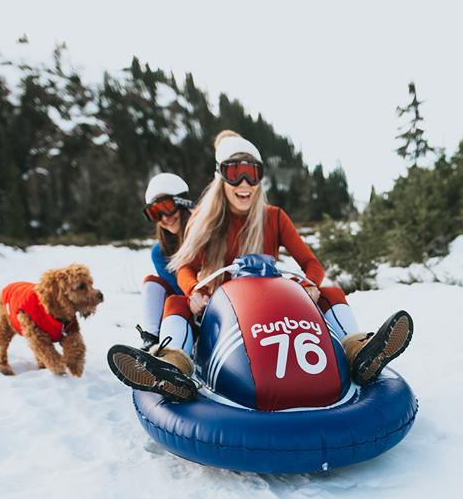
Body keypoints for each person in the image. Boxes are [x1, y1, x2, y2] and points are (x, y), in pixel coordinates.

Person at [110, 131, 413, 401]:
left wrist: (310, 284)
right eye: (234, 173)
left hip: (269, 304)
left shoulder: (274, 217)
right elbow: (185, 267)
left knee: (329, 290)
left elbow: (310, 262)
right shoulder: (206, 220)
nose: (244, 183)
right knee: (176, 301)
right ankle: (172, 367)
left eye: (251, 173)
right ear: (221, 178)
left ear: (259, 179)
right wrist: (193, 291)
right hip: (224, 310)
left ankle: (358, 351)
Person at [136, 173, 193, 351]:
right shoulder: (159, 252)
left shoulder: (204, 235)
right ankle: (151, 340)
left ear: (182, 203)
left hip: (213, 303)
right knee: (152, 284)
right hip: (184, 309)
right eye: (155, 213)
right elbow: (178, 291)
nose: (165, 218)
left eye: (167, 207)